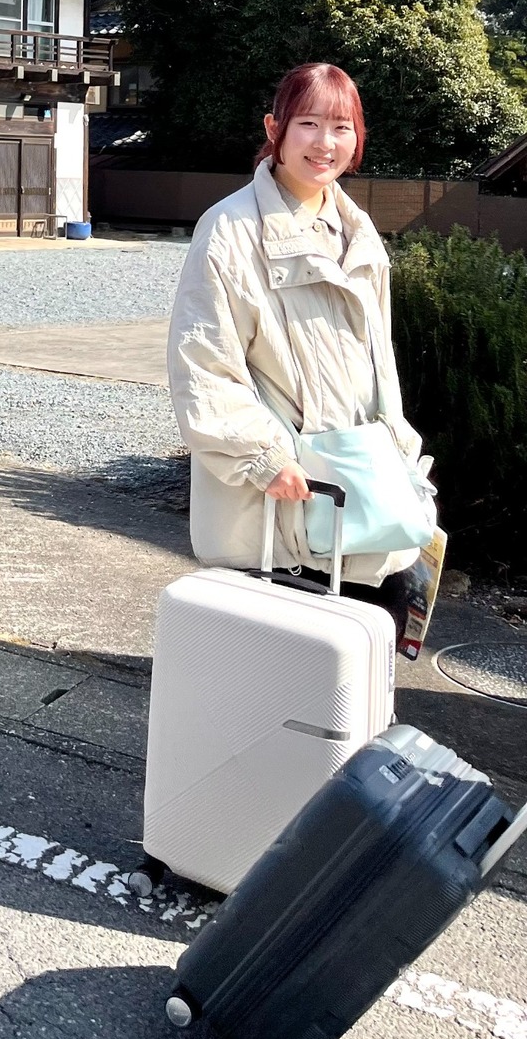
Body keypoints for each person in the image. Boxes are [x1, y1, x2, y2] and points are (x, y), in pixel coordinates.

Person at [168, 61, 431, 632]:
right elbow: (203, 364)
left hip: (363, 487)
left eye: (341, 127)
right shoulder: (231, 229)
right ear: (275, 129)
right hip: (284, 496)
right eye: (308, 123)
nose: (324, 143)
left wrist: (400, 447)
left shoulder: (358, 232)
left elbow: (380, 361)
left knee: (362, 655)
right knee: (280, 663)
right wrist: (263, 460)